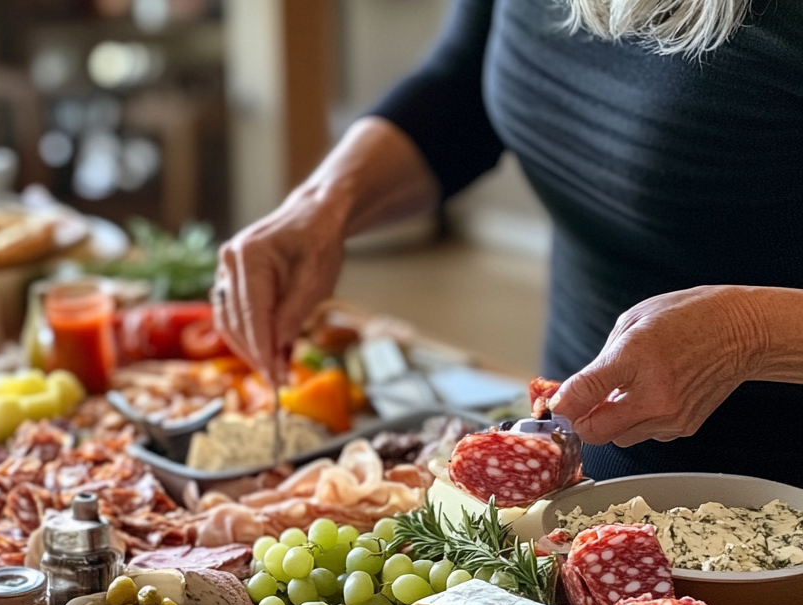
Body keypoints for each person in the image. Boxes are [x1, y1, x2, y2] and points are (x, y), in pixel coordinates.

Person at [212, 0, 803, 486]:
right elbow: (464, 87)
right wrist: (323, 206)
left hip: (778, 510)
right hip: (583, 479)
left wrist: (746, 333)